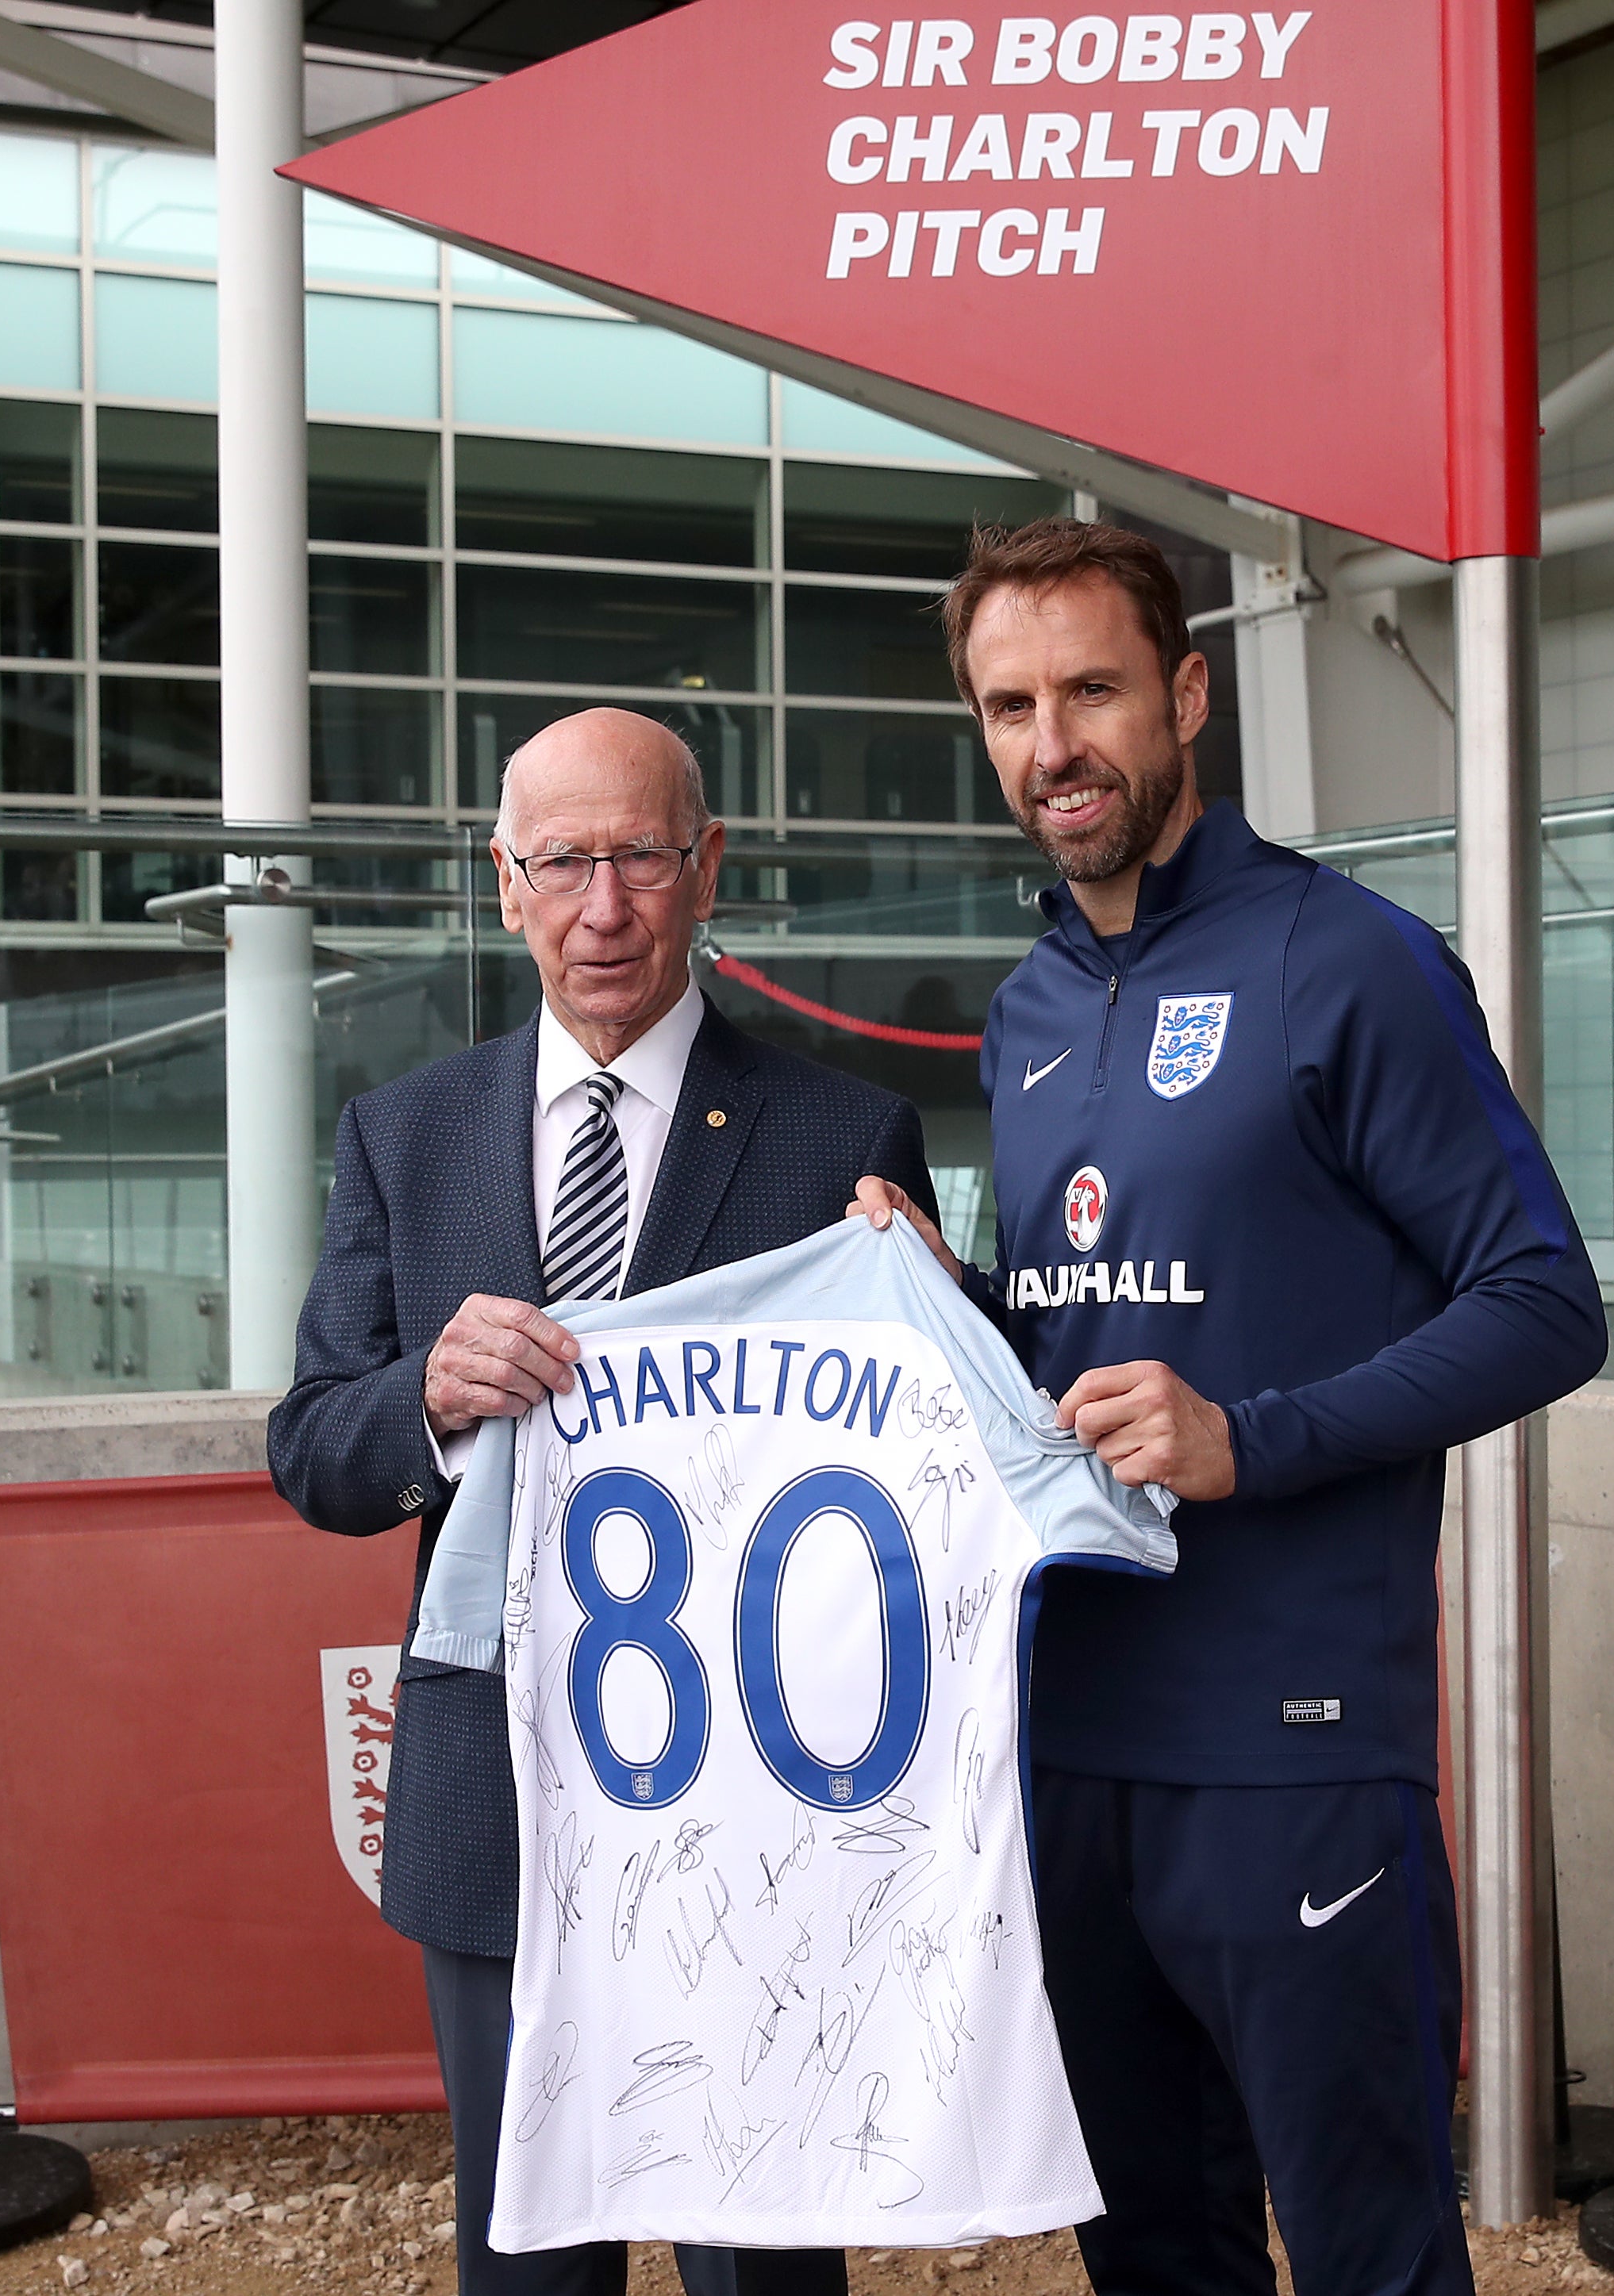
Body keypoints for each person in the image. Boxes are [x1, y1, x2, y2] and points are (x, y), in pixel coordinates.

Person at [853, 520, 1609, 2296]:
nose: (1054, 746)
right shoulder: (1025, 1006)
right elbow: (1075, 1363)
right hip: (1071, 1745)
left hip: (1292, 1750)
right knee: (1151, 2257)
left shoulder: (1348, 960)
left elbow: (1540, 1305)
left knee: (1366, 2256)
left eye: (1092, 690)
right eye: (1010, 705)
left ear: (1185, 694)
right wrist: (930, 1299)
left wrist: (1247, 1436)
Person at [269, 707, 936, 2296]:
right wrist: (425, 1392)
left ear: (705, 869)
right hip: (490, 1786)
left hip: (753, 1799)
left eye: (638, 854)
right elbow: (309, 1451)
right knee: (530, 2261)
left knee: (759, 2255)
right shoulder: (403, 1136)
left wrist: (931, 1298)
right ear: (502, 886)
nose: (602, 904)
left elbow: (926, 1456)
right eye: (560, 862)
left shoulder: (841, 1137)